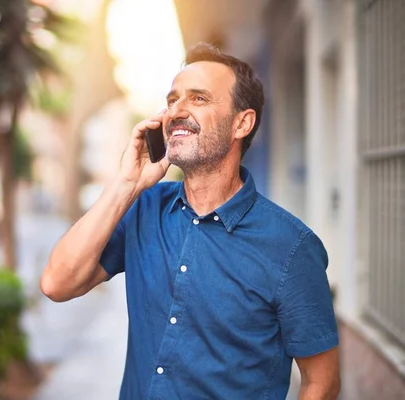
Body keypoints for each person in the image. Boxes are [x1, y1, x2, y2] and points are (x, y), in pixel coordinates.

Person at [40, 42, 340, 399]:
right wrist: (125, 185)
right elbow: (58, 283)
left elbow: (322, 381)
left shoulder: (290, 246)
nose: (176, 112)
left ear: (241, 123)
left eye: (198, 99)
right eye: (172, 100)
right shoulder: (143, 208)